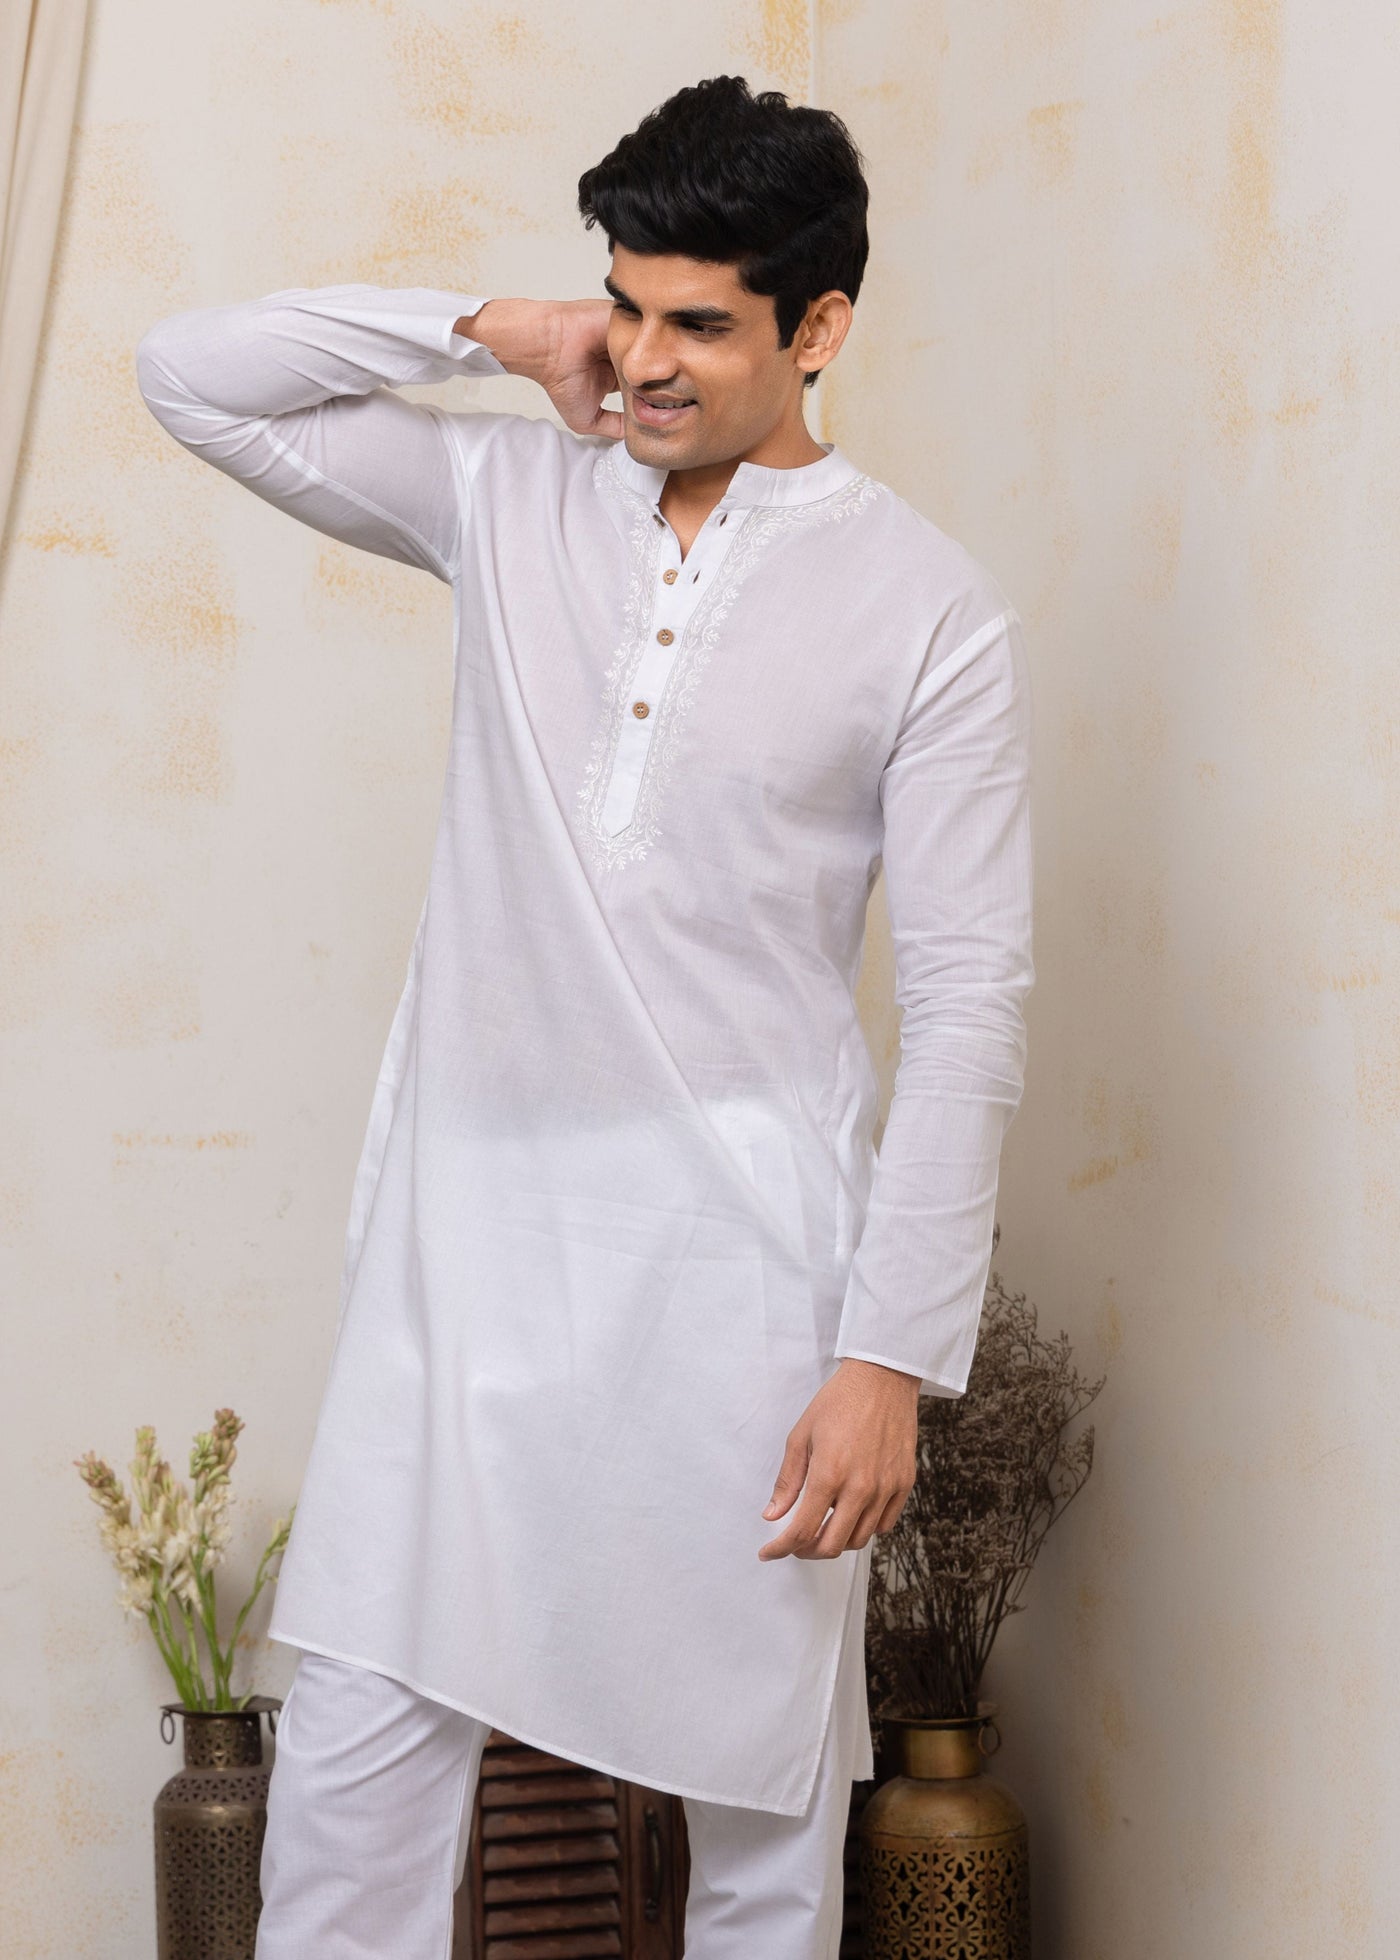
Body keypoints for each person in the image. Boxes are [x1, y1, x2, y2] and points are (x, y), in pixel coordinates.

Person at [135, 73, 1034, 1960]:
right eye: (624, 304)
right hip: (463, 1265)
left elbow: (968, 1004)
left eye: (698, 322)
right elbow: (193, 376)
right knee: (353, 1801)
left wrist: (890, 1353)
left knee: (761, 1832)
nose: (643, 360)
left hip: (744, 1286)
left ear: (821, 328)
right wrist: (501, 329)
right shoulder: (508, 492)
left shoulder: (926, 608)